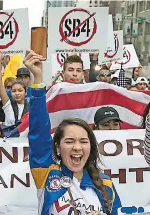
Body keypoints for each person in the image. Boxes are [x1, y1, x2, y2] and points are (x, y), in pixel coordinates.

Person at [25, 50, 122, 215]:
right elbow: (38, 131)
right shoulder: (47, 173)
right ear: (57, 146)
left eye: (83, 142)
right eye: (69, 141)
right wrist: (38, 80)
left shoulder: (106, 185)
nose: (77, 147)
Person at [0, 54, 29, 127]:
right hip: (9, 137)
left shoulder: (31, 106)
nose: (17, 93)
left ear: (25, 92)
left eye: (20, 90)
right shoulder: (8, 104)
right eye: (14, 91)